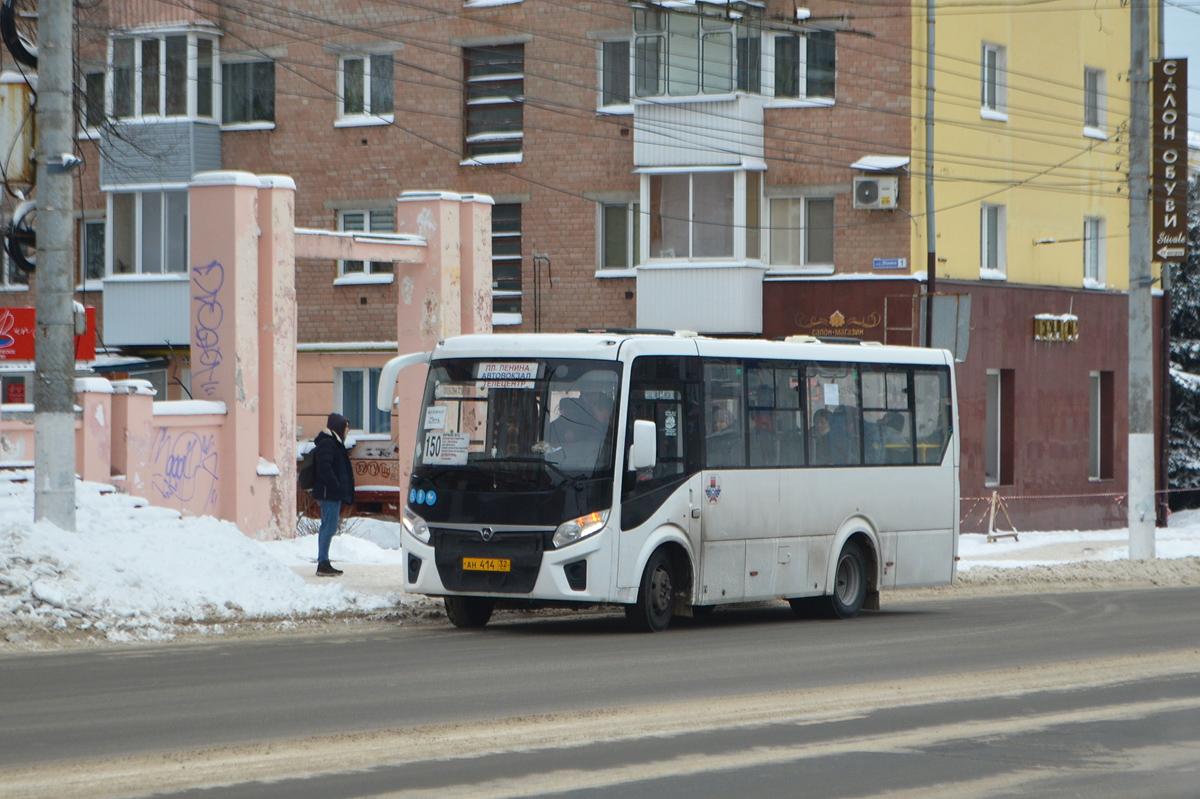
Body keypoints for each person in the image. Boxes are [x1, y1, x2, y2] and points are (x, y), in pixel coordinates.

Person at [311, 412, 355, 576]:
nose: (348, 430)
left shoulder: (333, 443)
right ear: (339, 427)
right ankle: (323, 563)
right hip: (328, 493)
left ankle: (324, 561)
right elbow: (324, 468)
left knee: (328, 526)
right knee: (328, 527)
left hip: (330, 493)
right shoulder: (328, 443)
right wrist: (336, 485)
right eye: (346, 427)